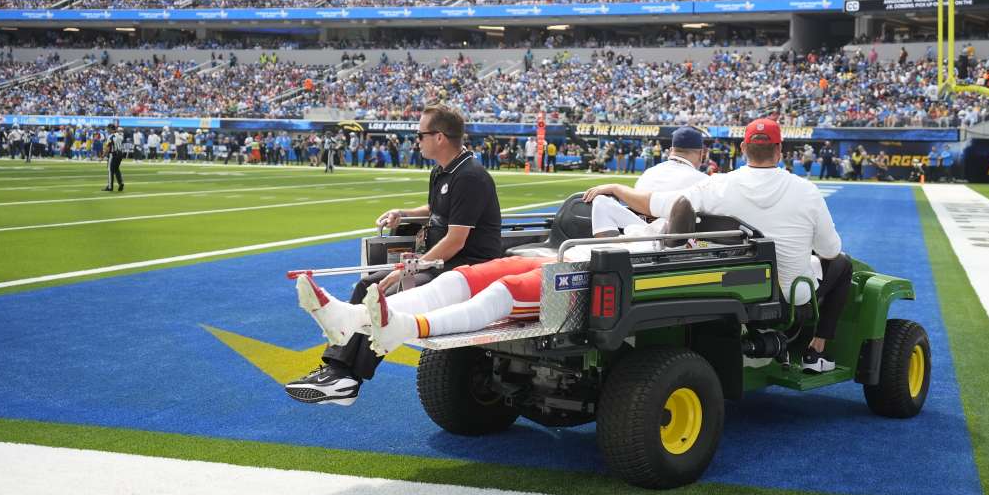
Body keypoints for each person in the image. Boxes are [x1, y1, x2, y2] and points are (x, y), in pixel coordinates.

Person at [583, 118, 850, 374]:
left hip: (738, 287)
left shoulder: (716, 184)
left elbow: (654, 204)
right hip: (788, 298)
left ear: (743, 149)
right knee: (842, 264)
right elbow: (829, 251)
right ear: (779, 150)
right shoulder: (806, 191)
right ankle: (816, 351)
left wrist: (617, 188)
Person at [294, 197, 699, 364]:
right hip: (564, 256)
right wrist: (626, 204)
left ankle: (400, 326)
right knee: (469, 277)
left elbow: (683, 209)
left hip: (581, 272)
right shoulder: (638, 228)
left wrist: (669, 233)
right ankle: (349, 317)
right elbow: (607, 206)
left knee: (501, 294)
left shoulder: (671, 248)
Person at [285, 105, 504, 406]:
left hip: (468, 267)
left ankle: (345, 378)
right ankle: (339, 372)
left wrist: (404, 270)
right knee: (367, 287)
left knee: (383, 291)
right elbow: (437, 210)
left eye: (420, 134)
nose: (417, 140)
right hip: (442, 262)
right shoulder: (443, 171)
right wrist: (404, 213)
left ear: (439, 137)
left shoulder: (470, 176)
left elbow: (455, 240)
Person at [590, 126, 709, 237]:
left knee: (601, 202)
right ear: (700, 154)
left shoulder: (648, 173)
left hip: (636, 239)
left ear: (671, 150)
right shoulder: (703, 180)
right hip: (677, 246)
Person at [102, 124, 127, 192]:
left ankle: (110, 187)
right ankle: (121, 183)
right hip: (120, 154)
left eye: (108, 129)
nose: (107, 130)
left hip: (113, 154)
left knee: (110, 170)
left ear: (111, 129)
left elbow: (108, 148)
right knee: (116, 170)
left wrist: (103, 155)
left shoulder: (110, 136)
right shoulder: (120, 135)